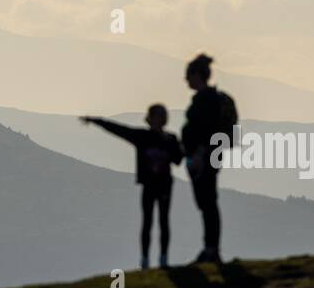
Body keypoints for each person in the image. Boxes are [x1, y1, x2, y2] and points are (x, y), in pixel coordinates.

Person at [80, 105, 183, 270]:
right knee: (148, 222)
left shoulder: (170, 139)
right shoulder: (144, 136)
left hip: (163, 185)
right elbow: (118, 129)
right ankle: (145, 259)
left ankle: (163, 258)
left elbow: (178, 159)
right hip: (150, 185)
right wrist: (96, 121)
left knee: (163, 221)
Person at [180, 53, 238, 264]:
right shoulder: (209, 99)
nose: (186, 80)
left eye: (188, 75)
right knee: (207, 203)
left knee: (207, 203)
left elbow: (205, 130)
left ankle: (211, 249)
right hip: (208, 156)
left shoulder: (206, 101)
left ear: (197, 75)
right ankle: (211, 248)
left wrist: (199, 154)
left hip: (202, 158)